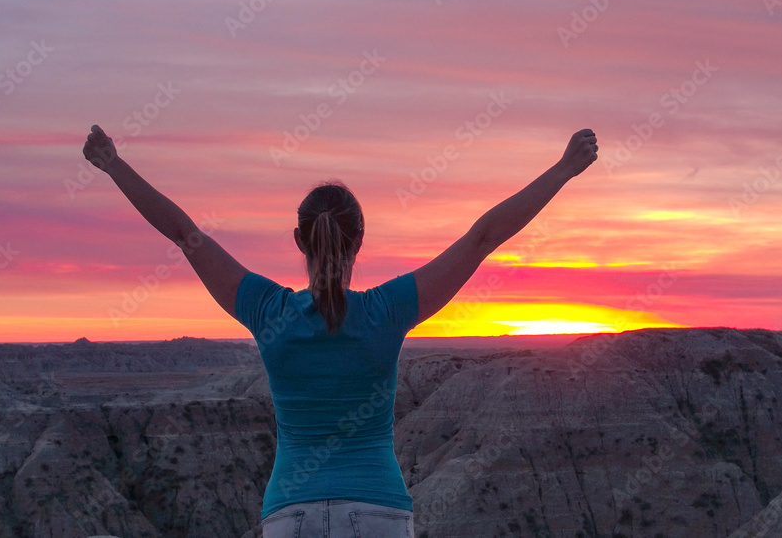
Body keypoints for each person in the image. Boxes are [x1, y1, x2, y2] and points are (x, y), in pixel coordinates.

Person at [81, 125, 598, 537]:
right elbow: (482, 237)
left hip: (290, 515)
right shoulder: (386, 312)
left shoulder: (268, 312)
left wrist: (113, 165)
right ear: (360, 242)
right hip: (379, 513)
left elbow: (182, 233)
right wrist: (563, 170)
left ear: (298, 242)